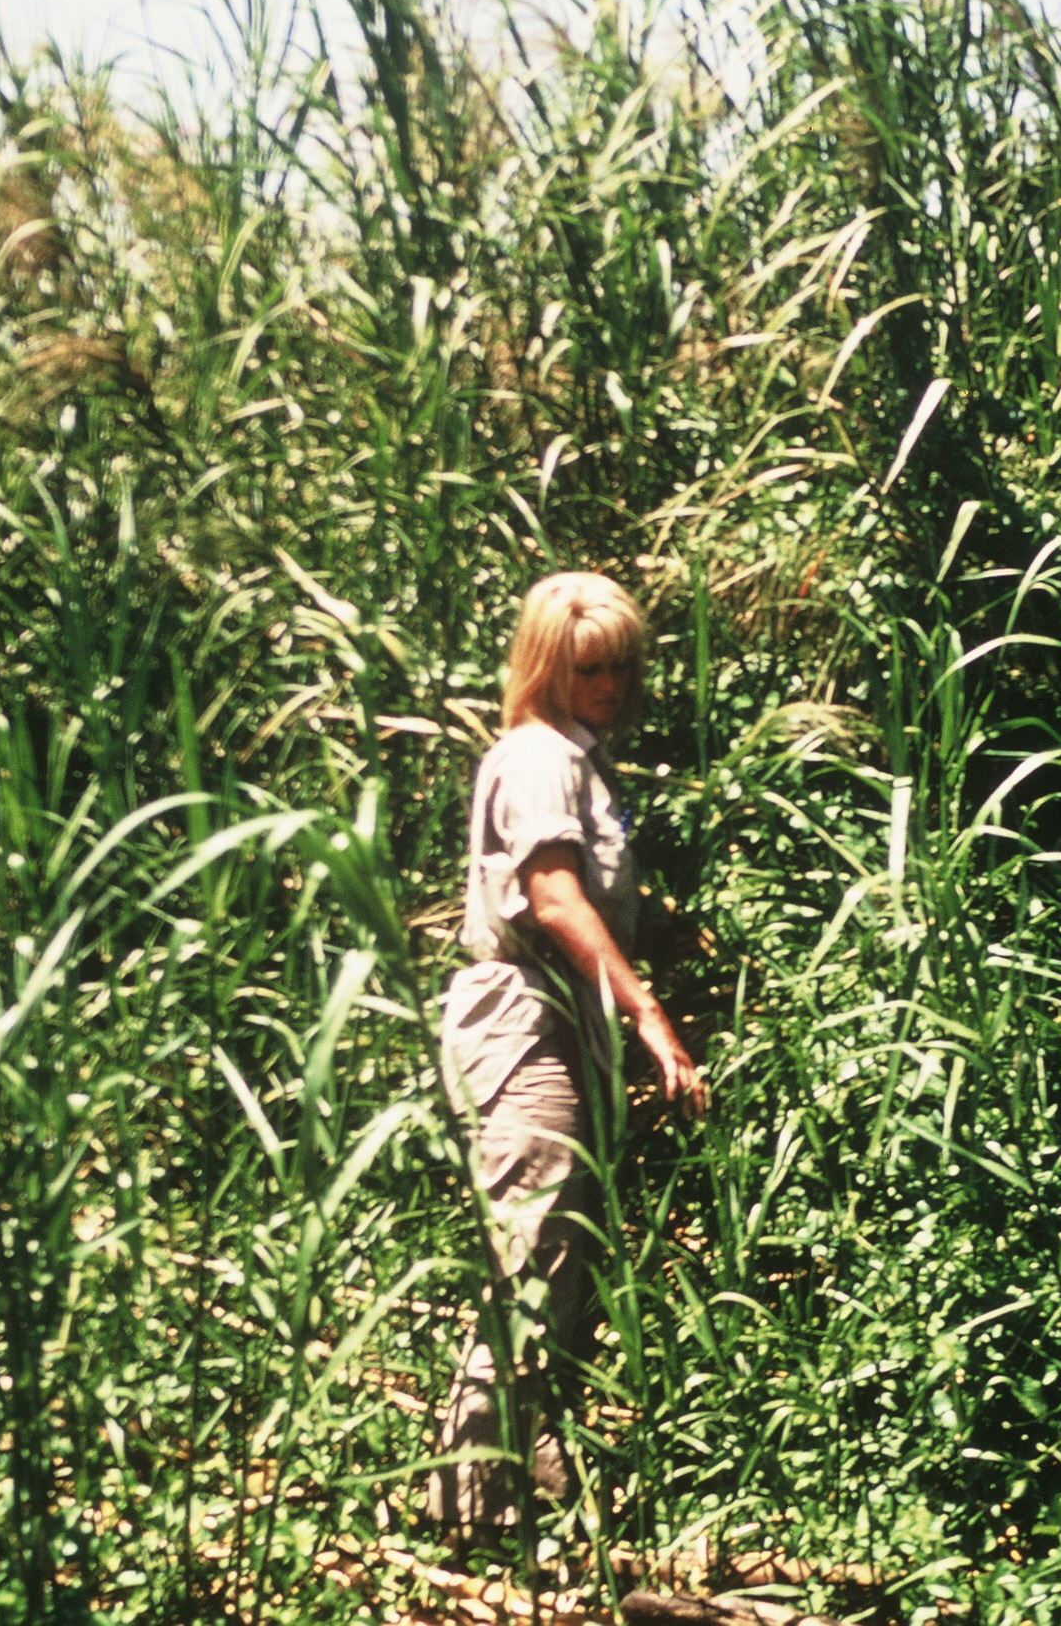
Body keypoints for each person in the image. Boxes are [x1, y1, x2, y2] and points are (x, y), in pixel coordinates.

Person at [427, 570, 706, 1534]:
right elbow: (552, 901)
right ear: (548, 666)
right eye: (592, 668)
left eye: (624, 667)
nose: (613, 686)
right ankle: (474, 1511)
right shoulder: (538, 757)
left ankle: (523, 1487)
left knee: (562, 1254)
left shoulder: (580, 764)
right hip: (525, 1024)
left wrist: (670, 930)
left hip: (561, 1025)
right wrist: (649, 1016)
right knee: (531, 1248)